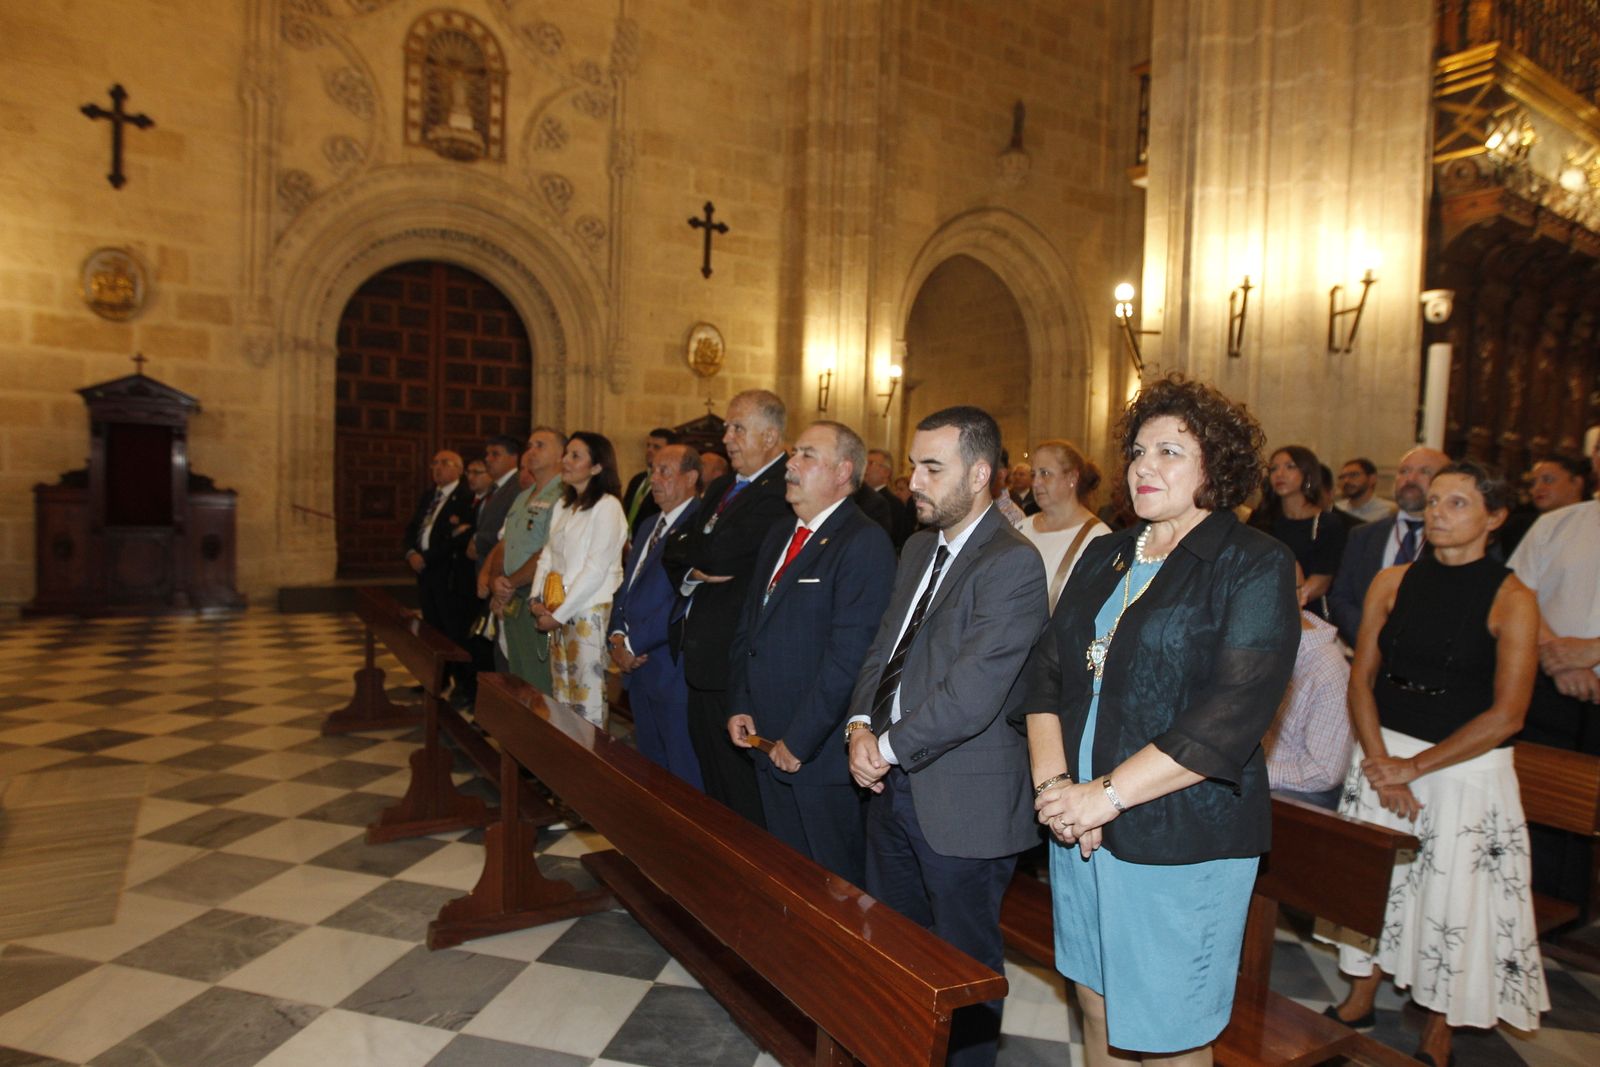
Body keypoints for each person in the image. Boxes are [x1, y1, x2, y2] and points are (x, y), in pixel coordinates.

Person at [1021, 374, 1299, 1062]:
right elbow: (1046, 672)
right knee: (1095, 1000)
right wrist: (1055, 788)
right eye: (1139, 451)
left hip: (1179, 832)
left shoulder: (1253, 562)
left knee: (1168, 1032)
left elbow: (1229, 714)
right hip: (1078, 825)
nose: (1146, 466)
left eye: (1171, 451)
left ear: (1218, 465)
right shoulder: (1106, 552)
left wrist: (1103, 795)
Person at [1320, 462, 1545, 1066]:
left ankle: (1439, 1025)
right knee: (1376, 885)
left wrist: (1413, 769)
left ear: (1494, 519)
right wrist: (1380, 760)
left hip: (1463, 770)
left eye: (1458, 504)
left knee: (1454, 900)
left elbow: (1509, 714)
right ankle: (1361, 989)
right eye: (1436, 501)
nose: (1438, 513)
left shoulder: (1513, 598)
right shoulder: (1391, 581)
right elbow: (1360, 677)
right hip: (1382, 752)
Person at [845, 405, 1048, 1067]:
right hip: (890, 784)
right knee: (894, 950)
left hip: (964, 799)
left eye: (933, 466)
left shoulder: (1013, 564)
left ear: (982, 473)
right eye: (912, 464)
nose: (914, 480)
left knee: (963, 970)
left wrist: (887, 746)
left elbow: (972, 692)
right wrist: (858, 726)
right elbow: (883, 649)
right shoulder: (917, 547)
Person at [727, 421, 896, 883]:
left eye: (806, 455)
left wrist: (800, 741)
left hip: (816, 754)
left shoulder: (863, 542)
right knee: (786, 872)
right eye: (793, 453)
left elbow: (850, 659)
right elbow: (750, 628)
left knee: (832, 880)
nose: (791, 464)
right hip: (766, 738)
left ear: (843, 472)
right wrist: (740, 701)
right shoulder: (781, 532)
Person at [662, 389, 793, 827]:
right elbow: (674, 547)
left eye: (738, 428)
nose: (727, 437)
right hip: (700, 656)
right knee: (712, 782)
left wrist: (696, 557)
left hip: (735, 663)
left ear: (771, 436)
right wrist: (693, 566)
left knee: (741, 791)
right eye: (727, 427)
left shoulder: (781, 493)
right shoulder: (721, 485)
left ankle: (752, 878)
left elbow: (722, 554)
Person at [1507, 432, 1600, 906]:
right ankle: (1541, 908)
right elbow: (1519, 591)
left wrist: (1593, 651)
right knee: (1545, 804)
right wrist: (1555, 654)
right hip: (1550, 685)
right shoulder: (1559, 524)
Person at [609, 444, 703, 787]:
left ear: (691, 478)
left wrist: (634, 643)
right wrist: (617, 635)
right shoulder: (650, 523)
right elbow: (627, 586)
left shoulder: (700, 526)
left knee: (682, 771)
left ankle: (688, 839)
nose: (655, 479)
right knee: (651, 765)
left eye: (665, 471)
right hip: (637, 664)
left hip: (669, 666)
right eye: (653, 471)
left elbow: (685, 598)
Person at [529, 432, 628, 726]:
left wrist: (559, 614)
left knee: (587, 695)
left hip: (588, 611)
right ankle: (567, 758)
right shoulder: (563, 505)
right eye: (566, 454)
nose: (566, 461)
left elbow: (595, 569)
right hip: (558, 608)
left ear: (597, 467)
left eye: (576, 455)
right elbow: (548, 556)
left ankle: (589, 764)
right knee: (562, 689)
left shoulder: (607, 506)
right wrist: (537, 600)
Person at [1327, 447, 1450, 647]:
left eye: (1424, 472)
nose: (1411, 478)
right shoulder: (1363, 535)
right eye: (1404, 471)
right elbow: (1340, 598)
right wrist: (1372, 641)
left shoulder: (1455, 543)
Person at [483, 426, 566, 693]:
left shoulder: (563, 497)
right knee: (517, 676)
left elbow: (548, 551)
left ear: (560, 455)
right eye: (529, 445)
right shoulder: (522, 497)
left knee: (538, 683)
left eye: (540, 445)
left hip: (537, 600)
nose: (531, 451)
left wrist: (508, 583)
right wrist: (497, 582)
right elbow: (505, 543)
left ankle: (541, 735)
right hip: (512, 599)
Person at [1263, 607, 1353, 809]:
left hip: (1299, 795)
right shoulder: (1262, 644)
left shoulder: (1329, 670)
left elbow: (1326, 772)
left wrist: (1251, 772)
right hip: (1257, 775)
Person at [1252, 445, 1347, 618]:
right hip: (1260, 609)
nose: (1279, 474)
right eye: (1274, 469)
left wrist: (1286, 603)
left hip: (1307, 612)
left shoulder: (1326, 523)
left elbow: (1321, 581)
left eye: (1290, 467)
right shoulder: (1261, 520)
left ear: (1308, 474)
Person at [1015, 439, 1110, 612]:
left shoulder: (1098, 538)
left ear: (1072, 478)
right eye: (1034, 474)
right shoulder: (1021, 528)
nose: (1035, 483)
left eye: (1045, 473)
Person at [403, 450, 476, 647]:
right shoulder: (429, 495)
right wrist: (411, 553)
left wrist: (426, 557)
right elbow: (413, 528)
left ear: (460, 470)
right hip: (424, 573)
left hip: (448, 574)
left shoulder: (465, 497)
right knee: (431, 629)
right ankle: (437, 677)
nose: (437, 467)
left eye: (444, 463)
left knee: (451, 631)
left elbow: (458, 538)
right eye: (434, 463)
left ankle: (455, 674)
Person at [1500, 454, 1591, 557]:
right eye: (1533, 483)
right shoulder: (1517, 528)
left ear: (1576, 483)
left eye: (1548, 480)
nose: (1536, 488)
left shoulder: (1593, 524)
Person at [621, 427, 676, 530]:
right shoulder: (637, 480)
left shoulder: (669, 483)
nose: (649, 450)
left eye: (656, 447)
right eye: (648, 446)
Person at [865, 447, 916, 551]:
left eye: (870, 463)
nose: (865, 467)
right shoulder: (857, 497)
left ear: (886, 472)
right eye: (864, 463)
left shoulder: (893, 504)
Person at [1334, 457, 1397, 524]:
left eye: (1353, 475)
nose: (1346, 481)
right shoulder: (1336, 510)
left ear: (1372, 478)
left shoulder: (1389, 511)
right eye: (1342, 477)